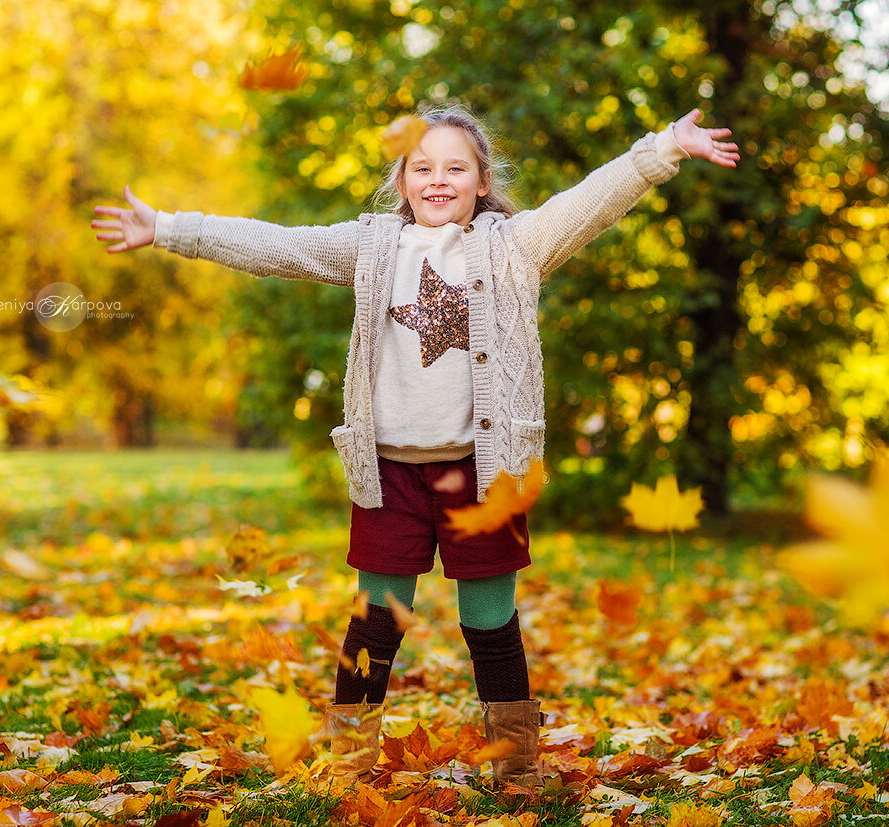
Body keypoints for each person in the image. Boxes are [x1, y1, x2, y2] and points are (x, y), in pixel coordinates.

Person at [91, 103, 740, 787]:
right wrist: (167, 228)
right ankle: (348, 766)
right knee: (376, 620)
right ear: (401, 182)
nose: (438, 179)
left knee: (490, 622)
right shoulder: (373, 249)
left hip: (483, 477)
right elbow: (276, 244)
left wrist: (666, 146)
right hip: (390, 473)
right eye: (421, 167)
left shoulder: (514, 245)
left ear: (482, 180)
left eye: (454, 167)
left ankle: (516, 767)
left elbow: (594, 200)